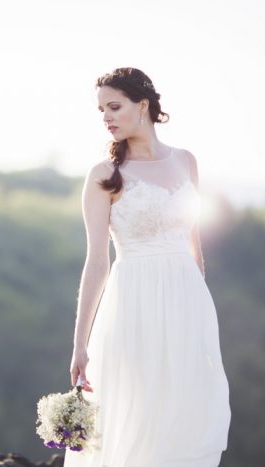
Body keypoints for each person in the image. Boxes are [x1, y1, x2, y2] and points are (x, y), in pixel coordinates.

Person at [63, 67, 231, 467]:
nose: (106, 117)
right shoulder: (105, 175)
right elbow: (97, 260)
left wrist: (198, 307)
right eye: (101, 109)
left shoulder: (187, 161)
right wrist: (80, 343)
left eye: (115, 106)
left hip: (186, 301)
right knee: (137, 410)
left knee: (184, 410)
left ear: (144, 105)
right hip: (133, 302)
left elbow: (195, 246)